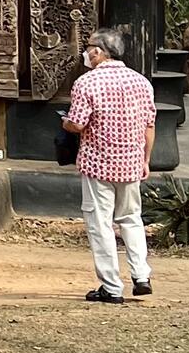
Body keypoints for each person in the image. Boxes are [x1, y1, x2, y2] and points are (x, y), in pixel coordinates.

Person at [62, 26, 158, 304]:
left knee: (100, 223)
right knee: (131, 219)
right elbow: (149, 126)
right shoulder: (142, 82)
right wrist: (145, 159)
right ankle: (141, 276)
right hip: (130, 163)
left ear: (98, 52)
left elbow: (77, 124)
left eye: (89, 47)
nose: (86, 53)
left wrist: (65, 123)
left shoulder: (87, 83)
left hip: (98, 164)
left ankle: (111, 287)